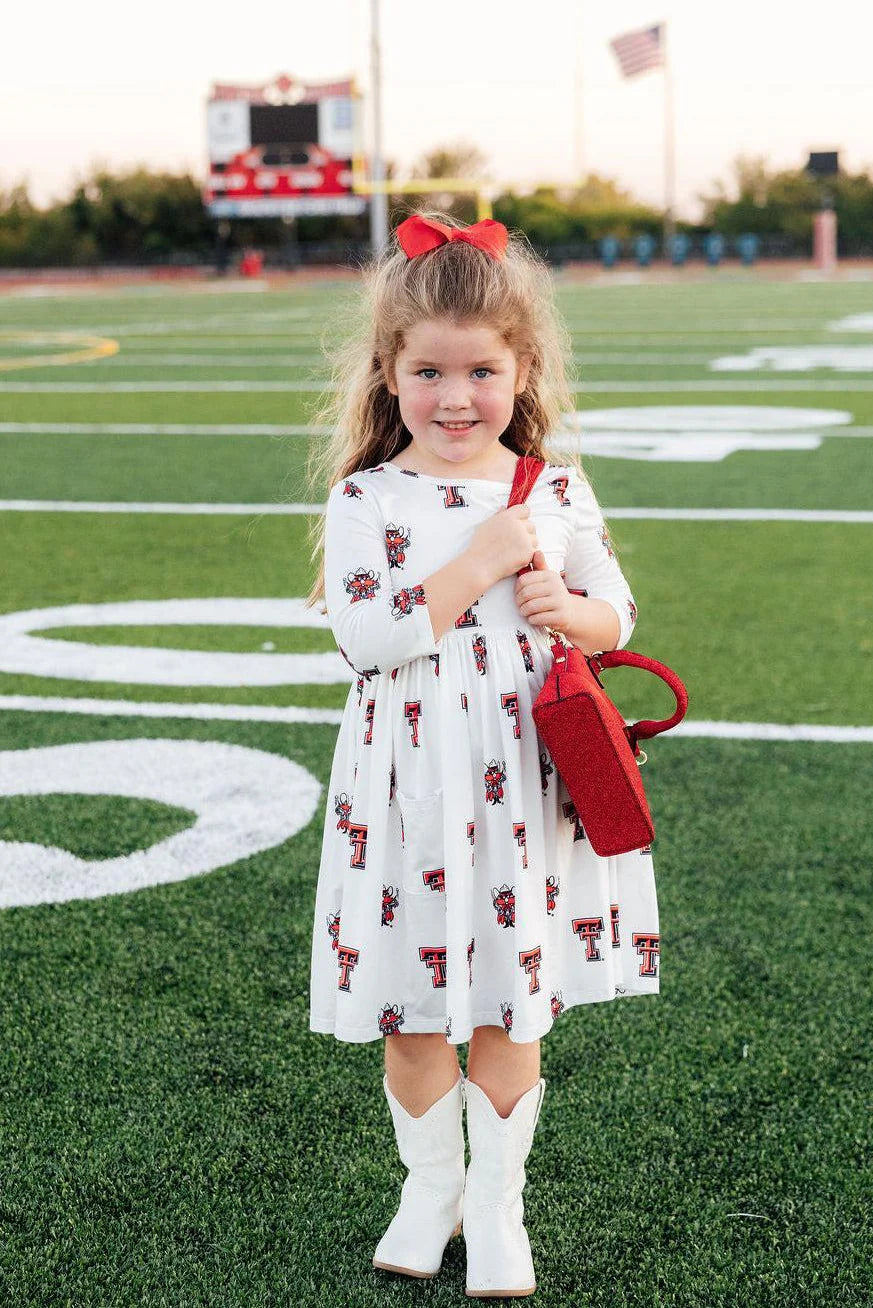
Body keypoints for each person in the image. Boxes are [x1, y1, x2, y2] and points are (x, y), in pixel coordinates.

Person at [304, 211, 659, 1298]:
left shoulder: (554, 487)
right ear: (388, 374)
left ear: (522, 369)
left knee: (510, 998)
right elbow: (367, 640)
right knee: (410, 999)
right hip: (405, 785)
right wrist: (480, 562)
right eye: (428, 372)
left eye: (480, 371)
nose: (455, 398)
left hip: (519, 782)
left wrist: (571, 606)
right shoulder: (365, 499)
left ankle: (498, 1207)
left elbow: (621, 617)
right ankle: (430, 1189)